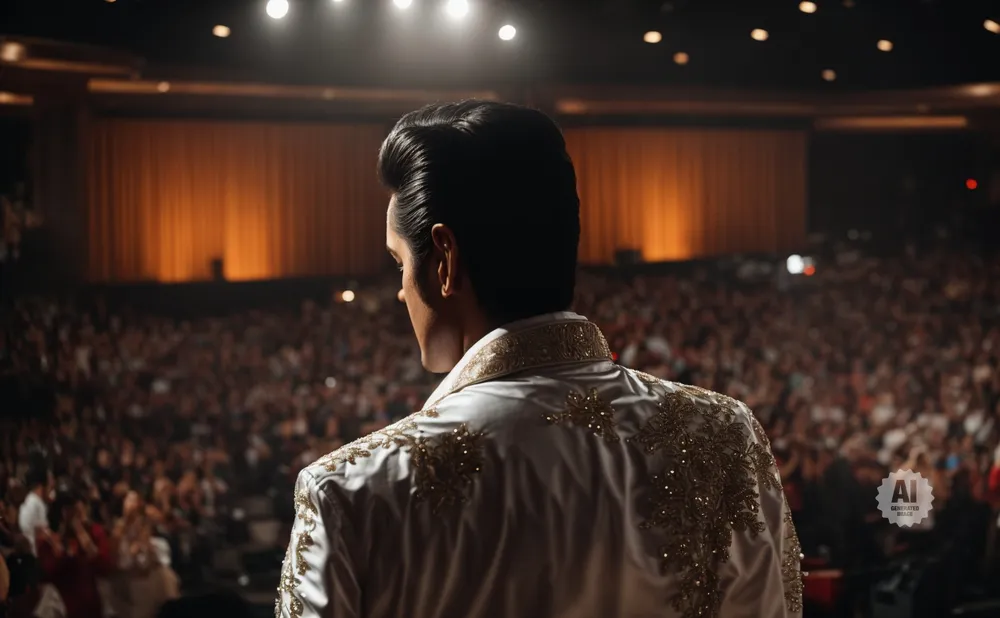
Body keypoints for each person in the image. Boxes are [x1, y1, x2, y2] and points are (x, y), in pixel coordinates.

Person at [273, 99, 802, 618]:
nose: (399, 293)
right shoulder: (724, 433)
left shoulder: (351, 490)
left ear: (444, 260)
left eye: (399, 263)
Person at [35, 491, 111, 618]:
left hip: (91, 607)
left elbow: (104, 565)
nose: (77, 518)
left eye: (80, 512)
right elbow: (47, 573)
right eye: (71, 512)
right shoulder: (48, 540)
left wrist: (82, 535)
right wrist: (59, 548)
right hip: (62, 608)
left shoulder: (94, 532)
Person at [18, 470, 49, 556]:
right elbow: (41, 533)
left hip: (27, 550)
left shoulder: (29, 499)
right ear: (41, 486)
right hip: (35, 552)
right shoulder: (37, 503)